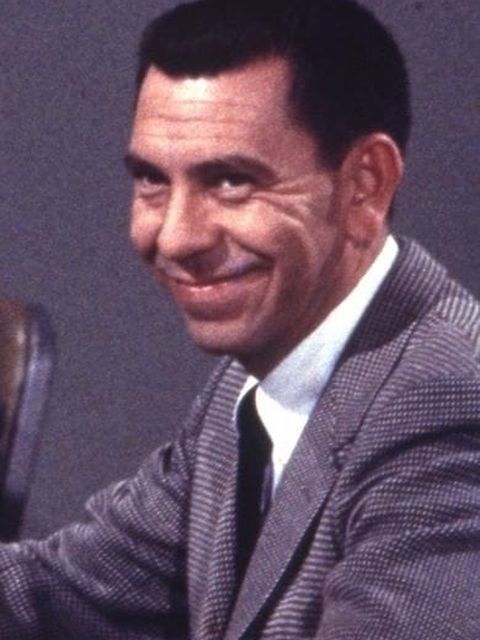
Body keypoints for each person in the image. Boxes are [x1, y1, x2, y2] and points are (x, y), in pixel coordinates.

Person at [2, 0, 480, 637]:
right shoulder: (252, 387)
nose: (176, 237)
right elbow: (59, 590)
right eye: (152, 181)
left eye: (230, 181)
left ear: (365, 184)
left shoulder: (449, 407)